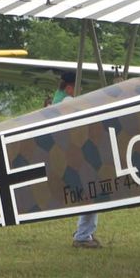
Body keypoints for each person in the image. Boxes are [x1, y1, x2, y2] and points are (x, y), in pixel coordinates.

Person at [52, 71, 101, 248]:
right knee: (93, 190)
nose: (79, 91)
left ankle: (84, 233)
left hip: (63, 154)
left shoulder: (57, 98)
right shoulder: (68, 102)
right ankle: (82, 236)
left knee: (89, 193)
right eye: (78, 87)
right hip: (72, 155)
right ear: (71, 87)